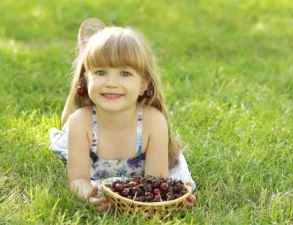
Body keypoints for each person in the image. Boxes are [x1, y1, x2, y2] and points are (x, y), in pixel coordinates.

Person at [49, 18, 196, 211]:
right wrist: (88, 197)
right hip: (84, 122)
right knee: (68, 120)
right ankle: (83, 61)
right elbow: (78, 179)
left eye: (125, 74)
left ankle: (90, 57)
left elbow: (156, 181)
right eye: (100, 72)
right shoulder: (81, 123)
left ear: (143, 84)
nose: (111, 83)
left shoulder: (153, 122)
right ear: (88, 78)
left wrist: (171, 198)